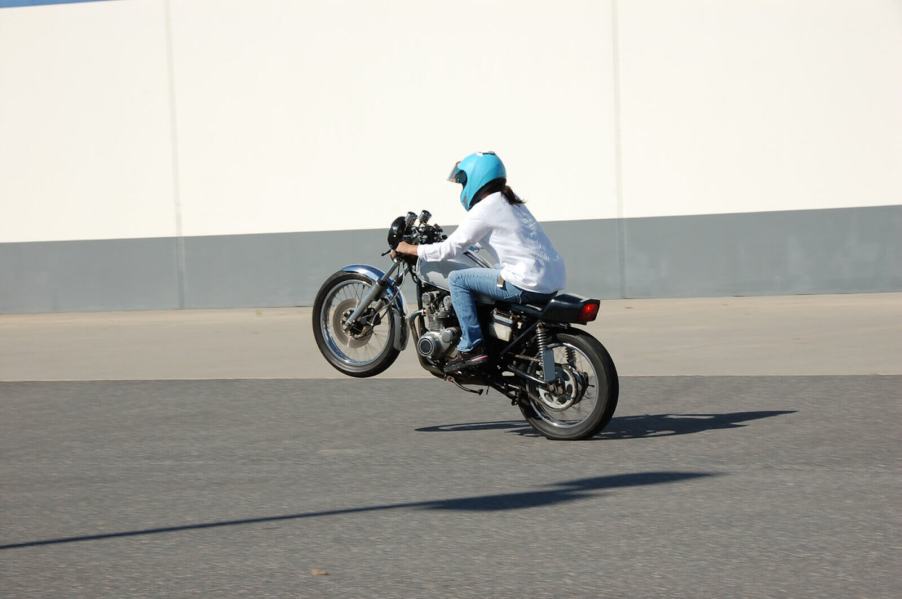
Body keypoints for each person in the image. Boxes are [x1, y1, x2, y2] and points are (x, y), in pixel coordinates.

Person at [393, 151, 566, 369]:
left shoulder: (484, 209)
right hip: (550, 279)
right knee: (491, 271)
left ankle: (471, 347)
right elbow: (486, 240)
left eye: (463, 181)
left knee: (457, 279)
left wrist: (410, 248)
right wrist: (457, 244)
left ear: (477, 177)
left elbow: (449, 249)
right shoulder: (509, 201)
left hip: (526, 281)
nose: (463, 187)